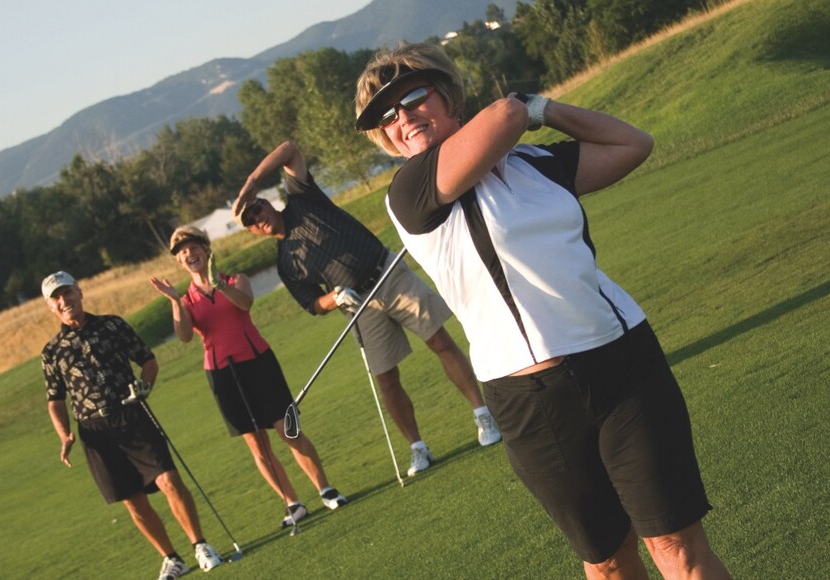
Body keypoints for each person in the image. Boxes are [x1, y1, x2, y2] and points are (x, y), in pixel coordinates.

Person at [354, 42, 730, 578]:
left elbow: (633, 142)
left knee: (677, 544)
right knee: (608, 564)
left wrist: (545, 109)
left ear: (448, 95)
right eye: (386, 117)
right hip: (530, 400)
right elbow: (507, 112)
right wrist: (522, 109)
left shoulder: (534, 160)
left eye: (412, 98)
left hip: (623, 360)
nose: (402, 118)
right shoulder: (410, 190)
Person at [231, 140, 502, 478]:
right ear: (252, 231)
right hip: (358, 306)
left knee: (440, 341)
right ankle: (418, 447)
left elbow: (290, 149)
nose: (258, 218)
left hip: (386, 273)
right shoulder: (287, 263)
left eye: (258, 209)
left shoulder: (301, 198)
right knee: (386, 379)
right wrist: (334, 298)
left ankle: (482, 415)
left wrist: (250, 183)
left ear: (268, 205)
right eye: (251, 221)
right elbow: (312, 303)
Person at [149, 226, 348, 529]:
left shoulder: (235, 280)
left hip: (258, 362)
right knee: (257, 445)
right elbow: (185, 336)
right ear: (179, 262)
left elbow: (245, 303)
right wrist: (175, 301)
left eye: (193, 247)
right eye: (182, 252)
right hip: (221, 373)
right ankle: (292, 503)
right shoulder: (186, 300)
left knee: (289, 430)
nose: (189, 255)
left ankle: (325, 488)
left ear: (206, 249)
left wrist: (219, 285)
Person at [40, 271, 223, 580]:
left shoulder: (112, 325)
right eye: (56, 298)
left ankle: (200, 545)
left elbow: (148, 361)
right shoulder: (52, 351)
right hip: (95, 430)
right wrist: (64, 434)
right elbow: (55, 399)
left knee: (169, 481)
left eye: (67, 292)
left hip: (131, 414)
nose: (64, 301)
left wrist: (145, 387)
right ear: (50, 307)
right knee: (131, 499)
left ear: (79, 291)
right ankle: (171, 558)